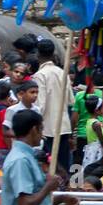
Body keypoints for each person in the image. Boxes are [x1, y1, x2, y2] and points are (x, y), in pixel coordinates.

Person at [32, 38, 73, 176]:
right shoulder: (63, 73)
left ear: (37, 55)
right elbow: (69, 100)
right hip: (63, 125)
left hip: (48, 128)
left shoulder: (39, 75)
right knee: (63, 165)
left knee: (51, 167)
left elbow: (39, 106)